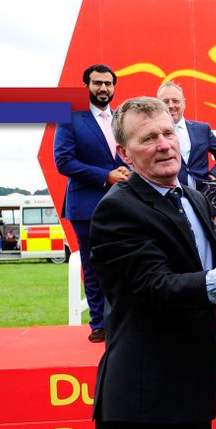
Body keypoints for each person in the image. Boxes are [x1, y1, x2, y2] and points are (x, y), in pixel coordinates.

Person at [88, 97, 216, 429]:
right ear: (124, 154)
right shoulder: (117, 208)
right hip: (142, 403)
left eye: (168, 133)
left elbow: (212, 260)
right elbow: (158, 287)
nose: (163, 144)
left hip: (191, 393)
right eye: (148, 138)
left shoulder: (192, 198)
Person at [54, 63, 130, 343]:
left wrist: (127, 170)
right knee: (93, 264)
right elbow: (63, 161)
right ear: (86, 85)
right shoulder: (70, 117)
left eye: (108, 84)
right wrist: (106, 176)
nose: (103, 88)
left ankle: (122, 320)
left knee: (124, 262)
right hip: (86, 205)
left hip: (124, 203)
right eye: (97, 83)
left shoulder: (122, 117)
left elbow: (127, 153)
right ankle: (98, 323)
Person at [157, 81, 216, 210]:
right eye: (166, 101)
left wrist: (213, 177)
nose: (171, 106)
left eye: (175, 101)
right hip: (168, 200)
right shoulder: (154, 133)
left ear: (183, 103)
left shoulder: (202, 129)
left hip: (204, 198)